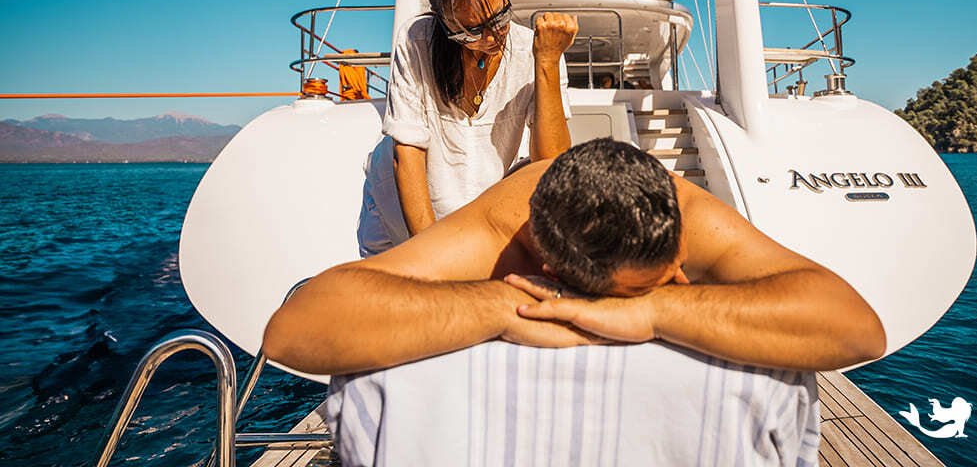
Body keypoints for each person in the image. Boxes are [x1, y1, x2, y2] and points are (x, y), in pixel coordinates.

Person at [265, 138, 887, 376]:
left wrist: (656, 312)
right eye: (649, 287)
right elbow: (299, 327)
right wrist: (506, 305)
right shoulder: (504, 229)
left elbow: (856, 328)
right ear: (549, 268)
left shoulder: (687, 216)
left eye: (675, 269)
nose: (677, 278)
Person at [358, 0, 578, 253]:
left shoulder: (536, 48)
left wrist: (548, 61)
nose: (493, 36)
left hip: (476, 219)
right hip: (397, 213)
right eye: (472, 31)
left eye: (500, 17)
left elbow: (550, 163)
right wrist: (431, 253)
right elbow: (406, 155)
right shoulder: (416, 41)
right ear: (444, 23)